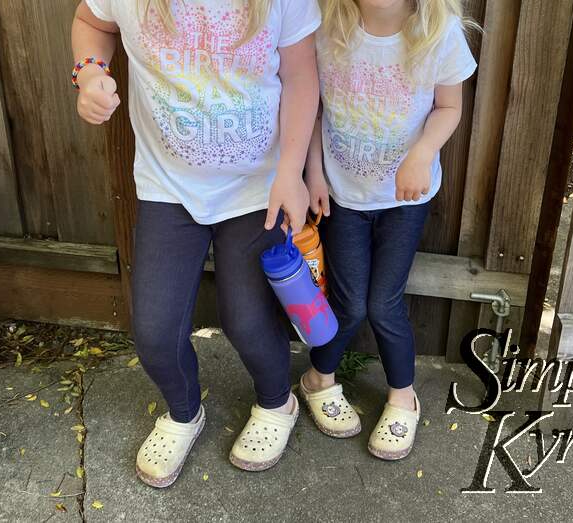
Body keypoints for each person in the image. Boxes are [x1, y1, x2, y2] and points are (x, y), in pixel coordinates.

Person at [71, 0, 320, 486]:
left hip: (258, 189)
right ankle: (183, 412)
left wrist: (292, 171)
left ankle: (276, 402)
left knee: (249, 321)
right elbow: (89, 21)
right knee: (155, 332)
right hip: (169, 190)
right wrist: (90, 73)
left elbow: (301, 76)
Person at [300, 0, 477, 460]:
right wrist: (314, 174)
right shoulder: (324, 26)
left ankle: (403, 395)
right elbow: (313, 108)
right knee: (350, 303)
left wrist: (422, 153)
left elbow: (450, 106)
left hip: (406, 199)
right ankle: (318, 377)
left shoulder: (440, 31)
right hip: (343, 195)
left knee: (384, 303)